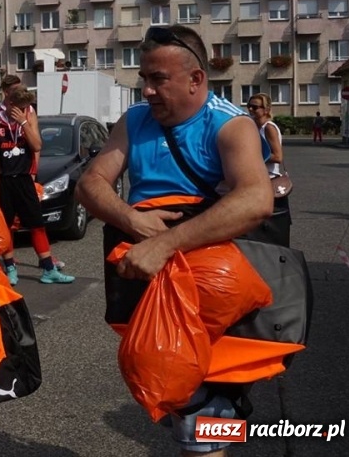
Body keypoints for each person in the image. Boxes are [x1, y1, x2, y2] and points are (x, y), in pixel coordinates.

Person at [75, 24, 274, 457]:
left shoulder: (230, 125)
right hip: (145, 290)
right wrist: (132, 218)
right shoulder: (135, 121)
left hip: (211, 294)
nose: (145, 91)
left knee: (207, 417)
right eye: (144, 78)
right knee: (181, 402)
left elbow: (257, 200)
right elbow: (90, 184)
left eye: (157, 79)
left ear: (195, 79)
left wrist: (164, 244)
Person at [0, 86, 74, 286]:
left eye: (26, 107)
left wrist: (23, 122)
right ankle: (10, 267)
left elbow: (37, 145)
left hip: (24, 177)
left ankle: (48, 269)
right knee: (7, 227)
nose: (25, 109)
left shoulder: (28, 113)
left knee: (37, 223)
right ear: (10, 104)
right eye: (21, 107)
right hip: (4, 179)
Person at [248, 92, 291, 246]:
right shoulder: (256, 126)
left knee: (274, 226)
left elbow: (278, 156)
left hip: (272, 181)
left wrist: (252, 155)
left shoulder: (269, 127)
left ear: (266, 109)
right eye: (249, 106)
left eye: (255, 107)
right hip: (262, 179)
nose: (251, 110)